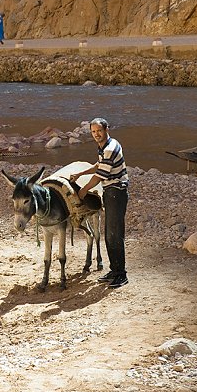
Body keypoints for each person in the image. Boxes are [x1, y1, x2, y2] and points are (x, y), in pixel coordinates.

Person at [70, 118, 129, 289]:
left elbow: (99, 176)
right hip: (111, 192)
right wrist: (81, 174)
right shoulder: (104, 146)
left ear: (106, 129)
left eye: (99, 131)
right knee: (109, 234)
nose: (96, 134)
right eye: (93, 132)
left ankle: (121, 274)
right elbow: (99, 165)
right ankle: (114, 270)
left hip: (116, 192)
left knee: (115, 234)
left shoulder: (110, 148)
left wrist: (83, 190)